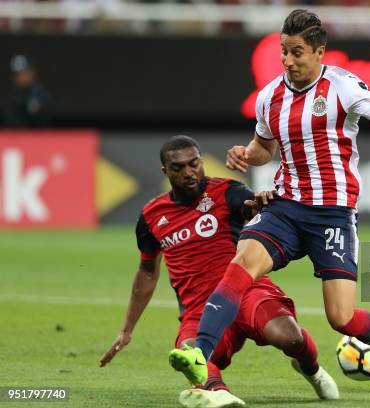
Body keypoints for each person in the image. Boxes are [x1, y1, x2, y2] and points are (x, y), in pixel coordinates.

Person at [169, 9, 370, 390]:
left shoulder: (343, 87)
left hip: (333, 215)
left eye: (296, 52)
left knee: (341, 317)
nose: (287, 60)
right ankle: (201, 353)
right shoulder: (269, 96)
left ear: (319, 52)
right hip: (285, 206)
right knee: (240, 265)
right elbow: (264, 147)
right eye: (283, 51)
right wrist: (246, 154)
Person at [100, 135, 339, 407]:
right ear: (165, 171)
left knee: (290, 337)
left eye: (194, 164)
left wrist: (257, 205)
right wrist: (127, 329)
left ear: (201, 161)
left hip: (247, 291)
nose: (189, 172)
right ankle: (216, 390)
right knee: (189, 352)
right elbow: (147, 272)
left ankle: (312, 370)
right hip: (198, 309)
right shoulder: (151, 216)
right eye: (179, 168)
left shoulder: (228, 191)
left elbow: (251, 211)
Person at [5, 54, 51, 128]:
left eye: (21, 73)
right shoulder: (15, 92)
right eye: (16, 74)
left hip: (37, 135)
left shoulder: (39, 91)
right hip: (16, 135)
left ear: (31, 72)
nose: (18, 77)